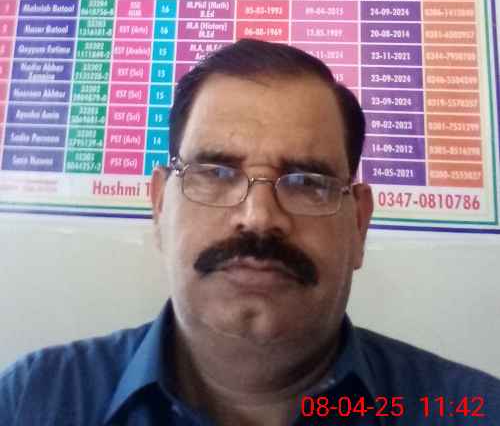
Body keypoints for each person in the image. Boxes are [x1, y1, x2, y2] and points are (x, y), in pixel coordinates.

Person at [0, 39, 499, 425]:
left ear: (358, 223)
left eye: (307, 182)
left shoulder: (473, 411)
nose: (259, 218)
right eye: (216, 173)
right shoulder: (31, 400)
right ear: (160, 206)